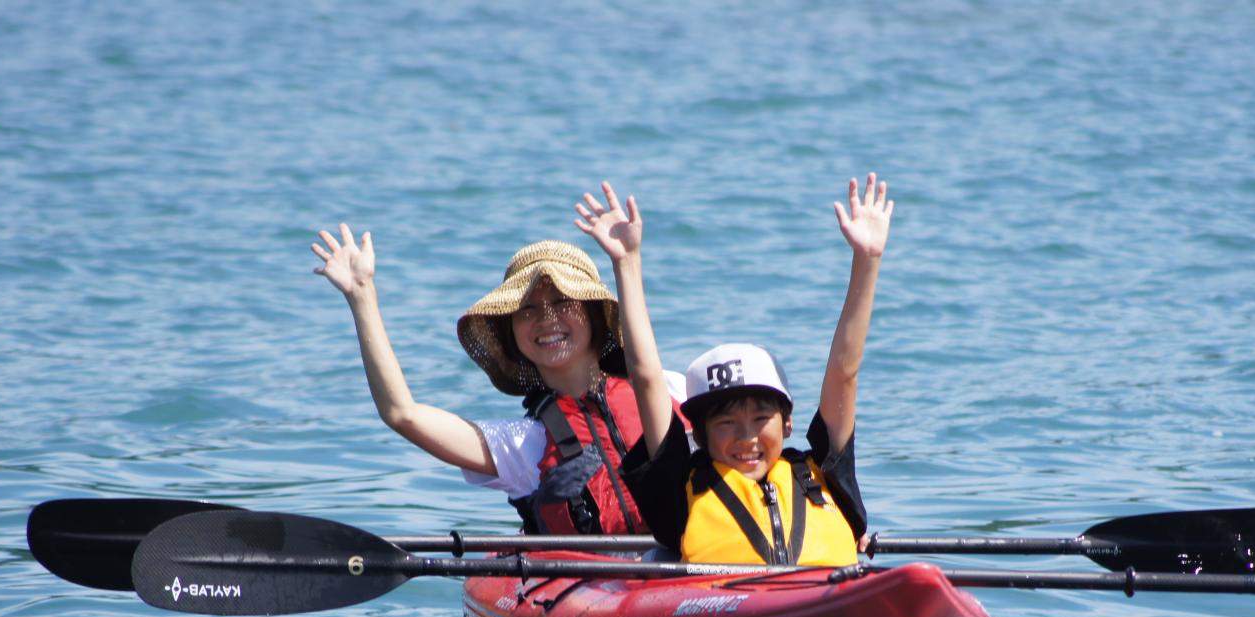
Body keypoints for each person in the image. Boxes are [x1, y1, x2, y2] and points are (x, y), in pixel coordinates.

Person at [573, 175, 892, 566]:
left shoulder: (826, 473)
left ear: (787, 424)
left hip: (829, 598)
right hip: (724, 606)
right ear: (701, 435)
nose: (747, 437)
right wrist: (627, 262)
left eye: (761, 418)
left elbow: (845, 372)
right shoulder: (681, 490)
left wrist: (867, 261)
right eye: (726, 423)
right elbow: (647, 377)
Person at [311, 225, 680, 535]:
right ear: (512, 335)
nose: (546, 318)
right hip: (604, 591)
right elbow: (402, 414)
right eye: (527, 309)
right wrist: (362, 296)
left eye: (563, 301)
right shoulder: (523, 445)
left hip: (696, 567)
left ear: (596, 315)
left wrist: (627, 261)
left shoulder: (666, 389)